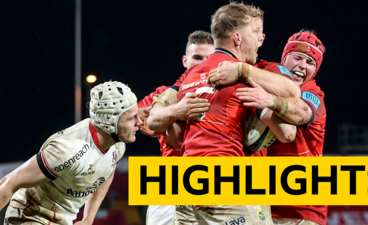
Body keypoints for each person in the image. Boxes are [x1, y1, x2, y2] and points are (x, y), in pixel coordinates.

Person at [148, 2, 300, 225]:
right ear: (237, 38)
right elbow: (293, 92)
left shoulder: (190, 76)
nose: (261, 39)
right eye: (256, 32)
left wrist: (177, 113)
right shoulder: (239, 72)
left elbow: (168, 132)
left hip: (188, 187)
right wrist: (244, 71)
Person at [0, 81, 142, 225]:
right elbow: (9, 182)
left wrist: (88, 219)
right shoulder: (68, 150)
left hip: (63, 220)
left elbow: (107, 172)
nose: (140, 122)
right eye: (132, 118)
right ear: (109, 121)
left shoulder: (117, 145)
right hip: (31, 217)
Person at [235, 30, 327, 225]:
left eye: (310, 62)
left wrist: (269, 101)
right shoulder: (269, 79)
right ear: (284, 58)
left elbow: (300, 114)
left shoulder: (312, 93)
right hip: (265, 205)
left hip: (300, 211)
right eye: (297, 58)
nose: (302, 66)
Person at [139, 30, 215, 225]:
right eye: (197, 57)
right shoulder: (164, 94)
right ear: (185, 60)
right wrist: (173, 111)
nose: (204, 63)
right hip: (171, 179)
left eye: (210, 57)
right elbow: (131, 115)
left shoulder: (226, 95)